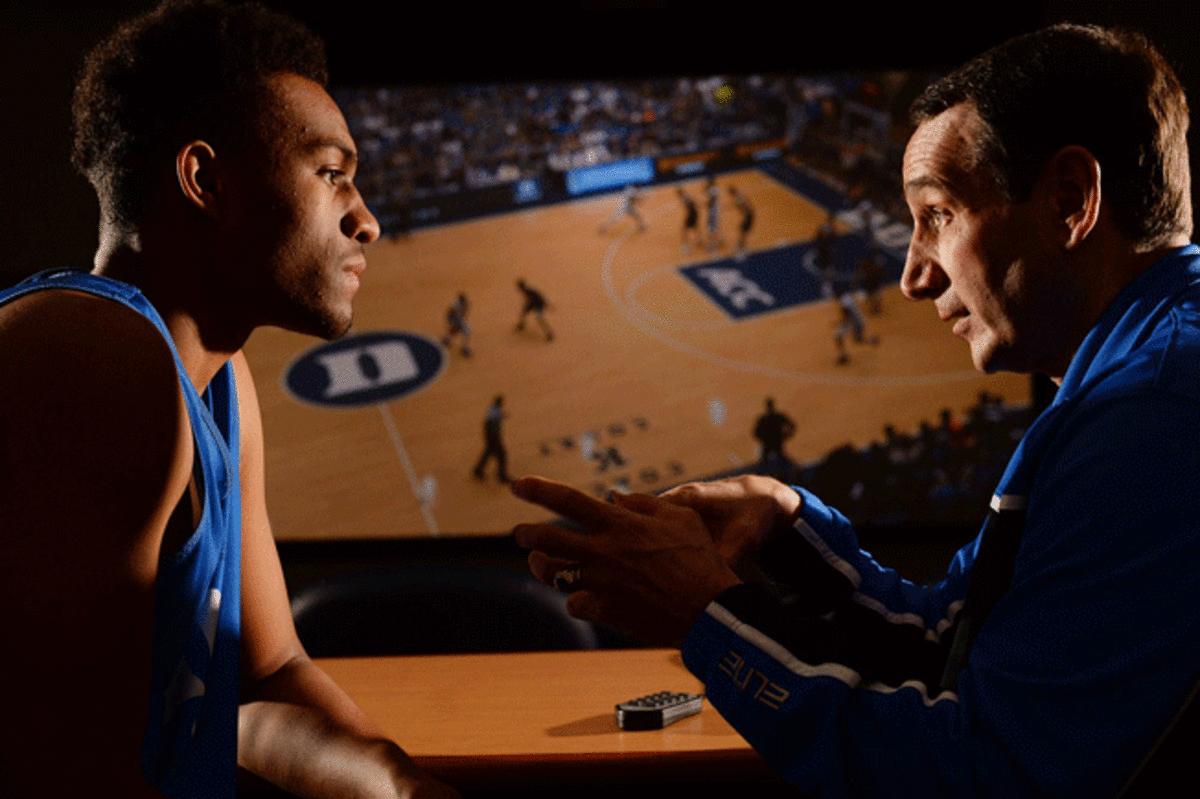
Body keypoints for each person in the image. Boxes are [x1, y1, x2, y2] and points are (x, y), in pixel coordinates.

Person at [511, 24, 1200, 796]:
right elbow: (951, 640)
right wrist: (791, 525)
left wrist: (712, 618)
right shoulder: (1132, 378)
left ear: (1070, 202)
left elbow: (983, 773)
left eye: (936, 213)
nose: (911, 274)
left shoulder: (1154, 414)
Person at [0, 3, 457, 797]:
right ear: (205, 179)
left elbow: (265, 677)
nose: (367, 220)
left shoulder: (217, 381)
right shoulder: (89, 354)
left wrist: (401, 784)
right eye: (331, 174)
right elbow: (59, 768)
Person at [472, 395, 511, 484]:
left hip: (489, 437)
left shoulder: (492, 409)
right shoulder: (495, 413)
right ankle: (501, 476)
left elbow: (494, 416)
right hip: (493, 437)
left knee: (488, 453)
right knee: (502, 455)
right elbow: (493, 424)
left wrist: (503, 415)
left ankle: (477, 470)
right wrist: (497, 439)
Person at [752, 397, 796, 475]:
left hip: (770, 442)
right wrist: (787, 435)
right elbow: (792, 425)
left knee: (766, 460)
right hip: (775, 441)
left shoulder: (764, 419)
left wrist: (762, 439)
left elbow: (755, 432)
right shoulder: (777, 417)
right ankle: (790, 472)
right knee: (779, 458)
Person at [441, 291, 472, 357]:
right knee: (465, 331)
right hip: (455, 320)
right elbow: (450, 314)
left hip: (459, 320)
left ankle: (447, 340)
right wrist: (452, 322)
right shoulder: (455, 305)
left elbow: (464, 313)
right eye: (462, 300)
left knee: (462, 331)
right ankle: (464, 348)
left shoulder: (466, 304)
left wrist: (461, 320)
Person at [729, 185, 755, 260]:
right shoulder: (740, 196)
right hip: (748, 216)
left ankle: (740, 250)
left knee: (742, 233)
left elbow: (745, 208)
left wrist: (745, 219)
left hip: (748, 217)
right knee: (742, 233)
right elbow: (748, 205)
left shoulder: (739, 198)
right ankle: (742, 249)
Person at [677, 185, 701, 254]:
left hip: (691, 215)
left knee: (684, 230)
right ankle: (699, 240)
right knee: (695, 227)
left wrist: (690, 214)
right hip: (695, 214)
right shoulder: (687, 196)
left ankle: (686, 247)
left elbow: (691, 205)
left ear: (679, 193)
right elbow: (695, 203)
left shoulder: (684, 198)